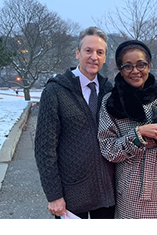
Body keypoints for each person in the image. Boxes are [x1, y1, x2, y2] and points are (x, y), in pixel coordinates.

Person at [99, 40, 157, 219]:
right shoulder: (111, 103)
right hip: (134, 186)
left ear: (149, 65)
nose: (135, 71)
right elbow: (107, 149)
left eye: (141, 64)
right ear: (120, 69)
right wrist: (138, 135)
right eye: (127, 66)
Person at [34, 27, 116, 219]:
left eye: (100, 52)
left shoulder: (110, 91)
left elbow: (135, 114)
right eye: (88, 51)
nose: (93, 57)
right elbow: (44, 149)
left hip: (105, 193)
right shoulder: (55, 91)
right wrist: (54, 195)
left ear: (104, 58)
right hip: (70, 195)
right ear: (78, 53)